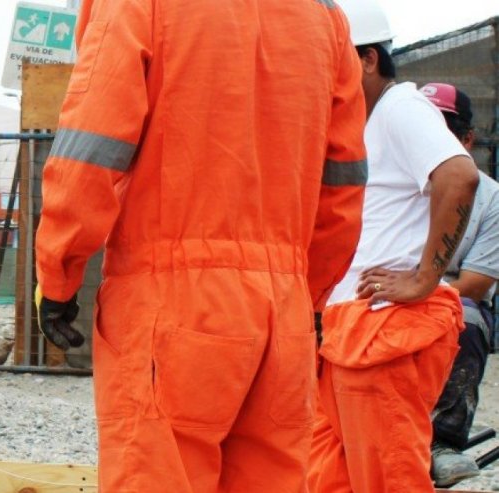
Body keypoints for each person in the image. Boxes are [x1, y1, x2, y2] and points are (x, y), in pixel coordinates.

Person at [32, 0, 368, 490]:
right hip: (284, 317)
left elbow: (90, 149)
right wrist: (308, 299)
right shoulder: (325, 18)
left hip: (171, 306)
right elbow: (343, 186)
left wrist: (58, 278)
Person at [306, 2, 481, 492]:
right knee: (329, 474)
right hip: (349, 327)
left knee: (387, 475)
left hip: (383, 329)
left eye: (333, 58)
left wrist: (425, 276)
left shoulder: (401, 106)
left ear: (368, 59)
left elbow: (459, 174)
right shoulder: (361, 120)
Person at [419, 82, 499, 486]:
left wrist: (415, 287)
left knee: (467, 317)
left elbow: (474, 283)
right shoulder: (387, 178)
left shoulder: (491, 197)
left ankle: (442, 442)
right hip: (377, 290)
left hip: (446, 298)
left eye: (443, 129)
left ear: (467, 139)